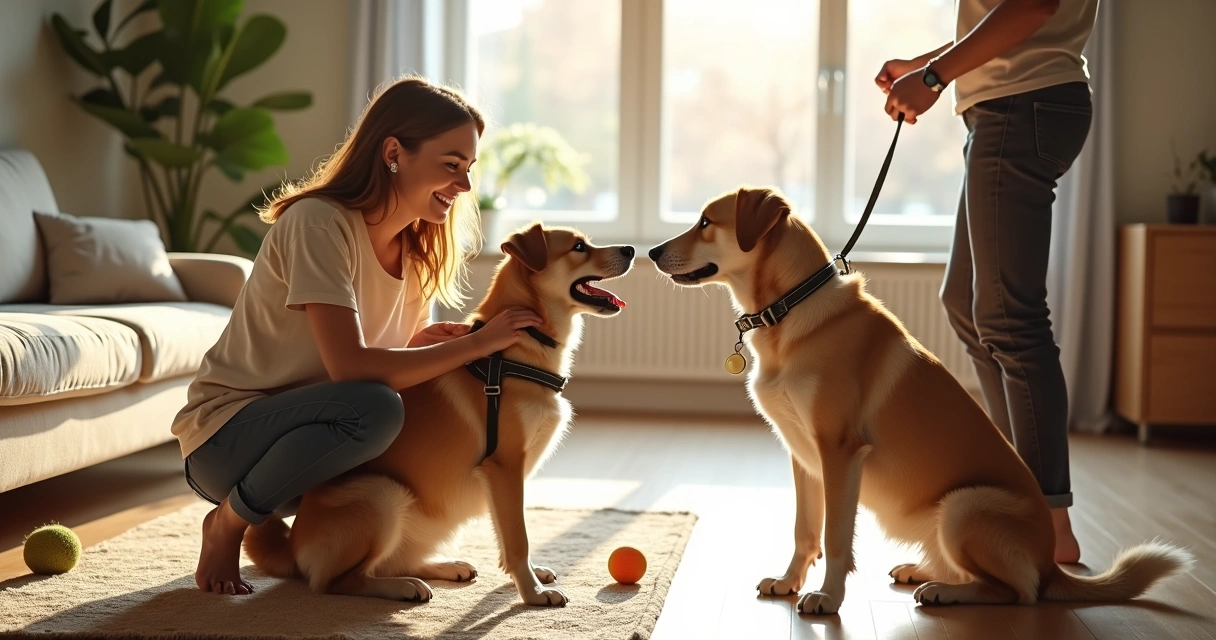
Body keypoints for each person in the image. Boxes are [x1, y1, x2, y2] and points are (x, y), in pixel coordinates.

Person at [171, 76, 544, 595]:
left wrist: (422, 346)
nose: (464, 186)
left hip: (315, 450)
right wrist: (477, 343)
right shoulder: (319, 224)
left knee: (396, 410)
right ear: (394, 152)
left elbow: (382, 368)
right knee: (376, 407)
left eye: (469, 169)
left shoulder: (417, 253)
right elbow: (351, 370)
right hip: (228, 440)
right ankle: (226, 525)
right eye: (451, 165)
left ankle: (380, 555)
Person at [876, 0, 1100, 564]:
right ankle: (1015, 489)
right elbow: (1000, 16)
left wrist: (932, 77)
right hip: (1010, 106)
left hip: (1022, 104)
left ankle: (1046, 524)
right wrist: (923, 63)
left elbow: (1032, 7)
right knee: (966, 304)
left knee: (1011, 317)